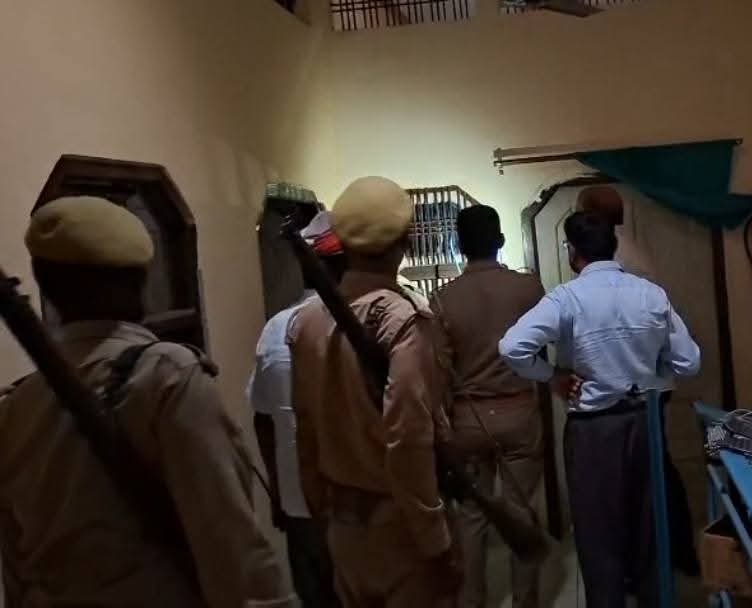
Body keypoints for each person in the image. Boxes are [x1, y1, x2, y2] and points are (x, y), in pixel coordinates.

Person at [0, 196, 297, 607]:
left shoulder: (15, 406)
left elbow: (15, 564)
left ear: (44, 285)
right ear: (140, 280)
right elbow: (225, 535)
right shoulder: (165, 376)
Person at [499, 211, 701, 608]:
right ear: (613, 246)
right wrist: (653, 370)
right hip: (645, 423)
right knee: (649, 529)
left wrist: (552, 376)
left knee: (599, 536)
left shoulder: (566, 298)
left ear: (572, 251)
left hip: (593, 430)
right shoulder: (651, 294)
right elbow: (689, 362)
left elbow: (512, 347)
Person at [288, 176, 460, 608]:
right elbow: (408, 436)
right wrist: (434, 537)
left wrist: (321, 512)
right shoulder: (403, 318)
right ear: (405, 241)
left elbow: (305, 430)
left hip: (343, 523)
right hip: (400, 527)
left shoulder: (305, 321)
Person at [576, 184, 701, 576]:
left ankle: (653, 560)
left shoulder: (617, 264)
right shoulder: (631, 255)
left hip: (631, 388)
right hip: (649, 383)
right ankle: (671, 554)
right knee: (652, 469)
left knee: (638, 478)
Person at [429, 205, 546, 608]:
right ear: (500, 240)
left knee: (472, 516)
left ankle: (472, 601)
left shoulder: (442, 299)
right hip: (518, 408)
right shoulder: (528, 289)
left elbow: (441, 371)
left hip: (469, 417)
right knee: (522, 509)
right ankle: (525, 602)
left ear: (459, 245)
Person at [248, 211, 345, 608]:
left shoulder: (275, 328)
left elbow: (263, 419)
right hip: (363, 507)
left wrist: (277, 494)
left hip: (298, 501)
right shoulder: (372, 319)